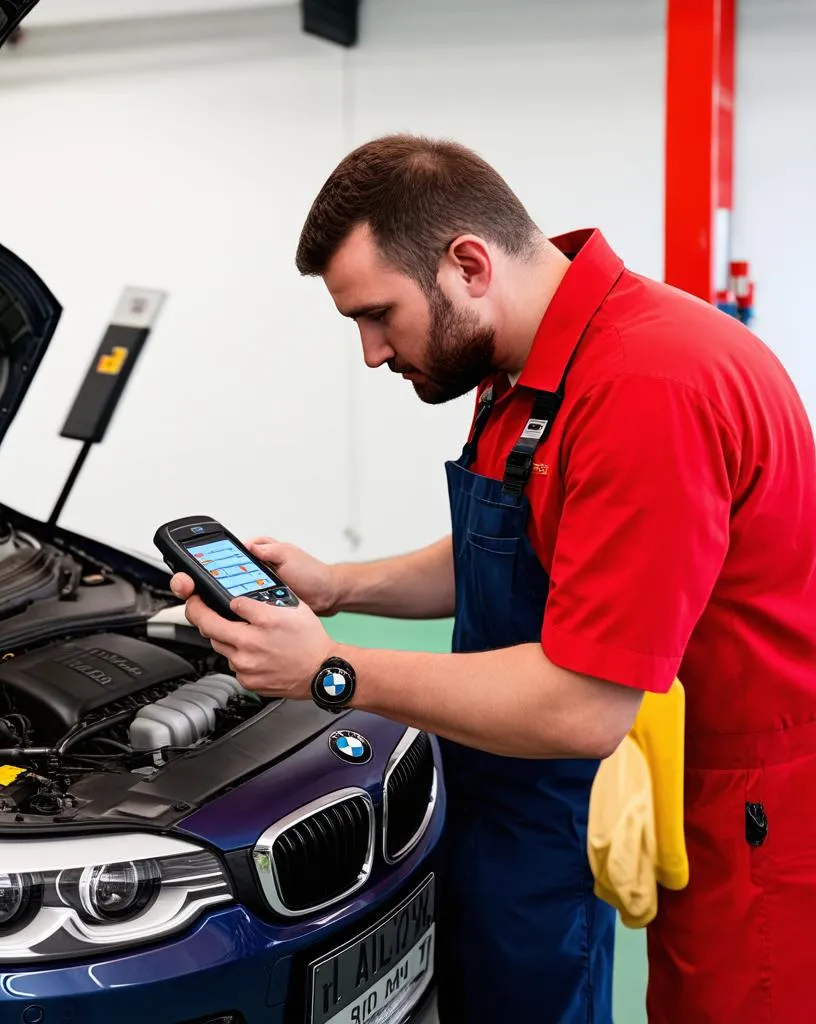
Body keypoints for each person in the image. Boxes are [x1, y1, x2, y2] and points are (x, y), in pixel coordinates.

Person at [169, 134, 816, 1023]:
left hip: (747, 808)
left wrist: (331, 668)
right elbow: (514, 547)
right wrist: (336, 587)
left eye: (377, 314)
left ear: (467, 264)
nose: (369, 352)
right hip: (532, 770)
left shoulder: (646, 387)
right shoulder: (523, 364)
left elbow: (585, 707)